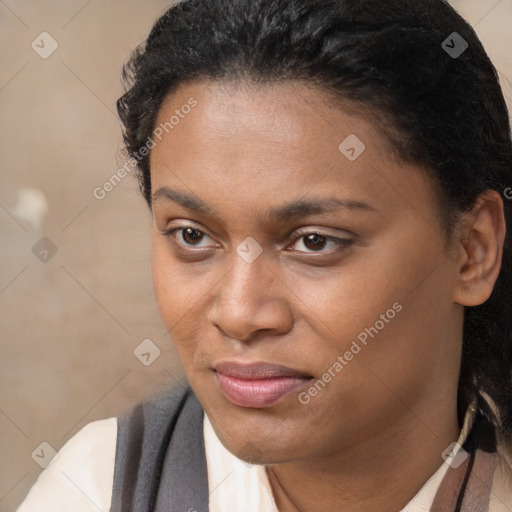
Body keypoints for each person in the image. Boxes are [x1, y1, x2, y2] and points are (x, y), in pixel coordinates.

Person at [17, 0, 512, 510]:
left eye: (314, 241)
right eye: (191, 236)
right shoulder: (96, 490)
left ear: (474, 251)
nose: (238, 314)